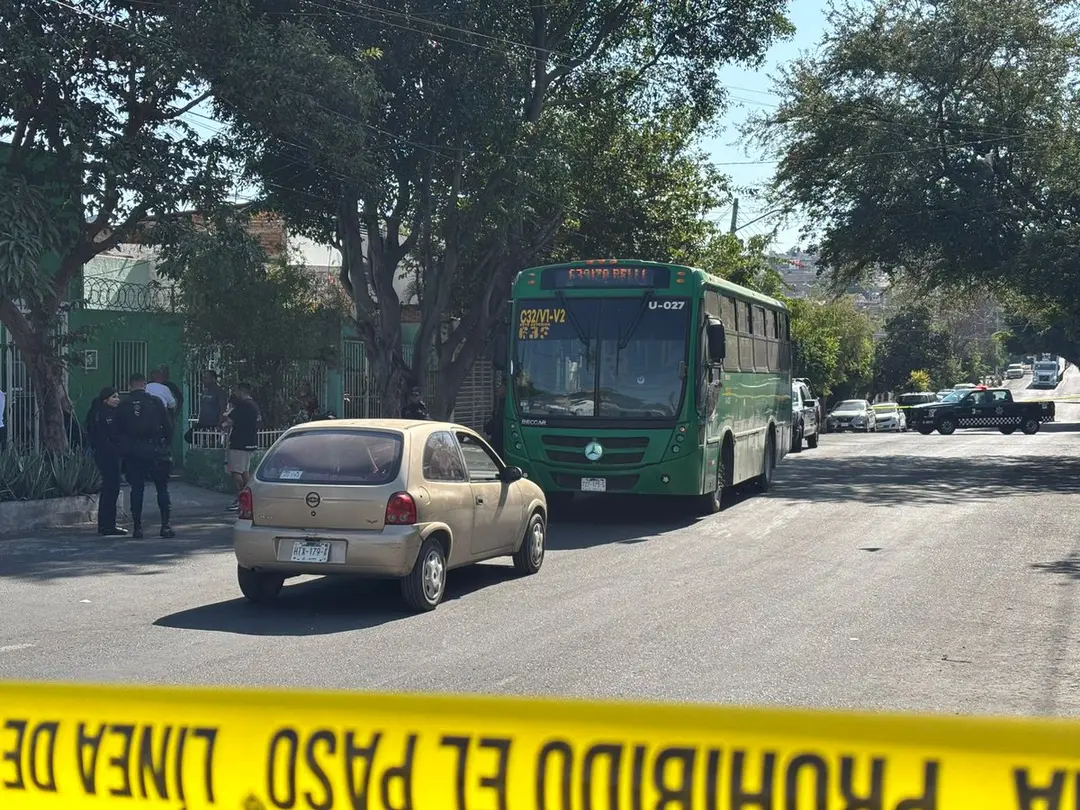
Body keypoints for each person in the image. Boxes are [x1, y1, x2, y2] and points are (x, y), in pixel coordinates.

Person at [116, 373, 175, 539]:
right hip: (155, 449)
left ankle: (137, 528)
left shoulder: (124, 404)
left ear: (130, 386)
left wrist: (124, 448)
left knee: (137, 489)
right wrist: (165, 445)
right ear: (144, 385)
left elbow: (118, 430)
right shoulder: (155, 402)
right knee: (162, 488)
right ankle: (165, 526)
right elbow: (169, 427)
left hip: (134, 451)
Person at [85, 387, 126, 536]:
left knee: (109, 489)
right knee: (111, 489)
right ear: (105, 400)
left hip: (103, 454)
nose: (117, 399)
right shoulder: (106, 415)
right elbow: (113, 435)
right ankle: (108, 525)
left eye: (117, 397)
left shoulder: (97, 413)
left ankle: (106, 524)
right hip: (109, 455)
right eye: (113, 397)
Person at [223, 382, 260, 511]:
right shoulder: (253, 405)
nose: (235, 393)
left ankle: (240, 499)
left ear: (242, 391)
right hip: (249, 442)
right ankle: (247, 499)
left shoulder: (243, 405)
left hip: (239, 443)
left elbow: (230, 421)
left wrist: (224, 421)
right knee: (244, 471)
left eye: (236, 390)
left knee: (236, 472)